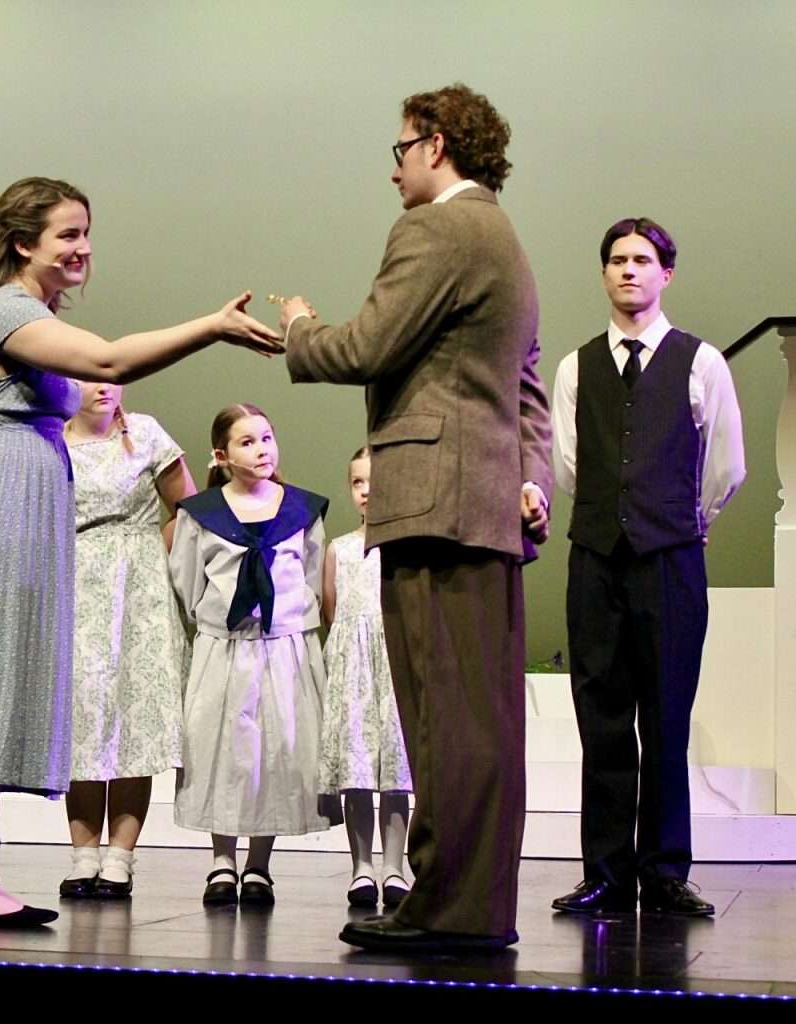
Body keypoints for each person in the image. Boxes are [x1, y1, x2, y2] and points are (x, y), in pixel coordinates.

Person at [0, 176, 282, 929]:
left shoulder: (34, 313)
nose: (83, 247)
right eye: (67, 234)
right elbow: (107, 364)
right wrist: (212, 326)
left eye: (86, 232)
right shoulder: (4, 311)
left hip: (19, 496)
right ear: (22, 242)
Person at [278, 83, 553, 952]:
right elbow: (528, 390)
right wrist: (529, 478)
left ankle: (448, 910)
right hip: (480, 503)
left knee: (444, 718)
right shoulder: (504, 239)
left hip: (436, 502)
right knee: (478, 716)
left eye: (398, 151)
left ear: (435, 145)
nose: (393, 171)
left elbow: (367, 345)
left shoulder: (437, 228)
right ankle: (466, 904)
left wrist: (297, 327)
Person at [549, 218, 745, 917]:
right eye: (617, 260)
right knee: (601, 719)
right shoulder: (576, 367)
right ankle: (605, 871)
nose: (629, 270)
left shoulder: (701, 362)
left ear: (667, 273)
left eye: (643, 260)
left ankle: (663, 871)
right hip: (596, 559)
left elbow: (726, 464)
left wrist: (682, 520)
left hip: (670, 561)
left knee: (665, 718)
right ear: (603, 274)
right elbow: (570, 465)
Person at [169, 404, 332, 908]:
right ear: (220, 455)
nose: (261, 449)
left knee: (278, 752)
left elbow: (311, 575)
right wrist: (216, 623)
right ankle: (222, 860)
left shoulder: (302, 510)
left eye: (267, 437)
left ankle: (260, 864)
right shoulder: (203, 514)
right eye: (246, 442)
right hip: (227, 649)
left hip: (283, 649)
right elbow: (187, 577)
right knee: (225, 753)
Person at [58, 382, 196, 899]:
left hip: (137, 589)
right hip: (75, 586)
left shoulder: (145, 433)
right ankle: (82, 854)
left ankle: (121, 856)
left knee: (135, 719)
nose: (102, 389)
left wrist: (146, 554)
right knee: (84, 720)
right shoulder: (53, 439)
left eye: (109, 378)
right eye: (88, 378)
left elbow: (190, 509)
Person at [320, 446, 412, 910]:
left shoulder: (409, 549)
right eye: (358, 482)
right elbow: (332, 611)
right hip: (355, 671)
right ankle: (361, 866)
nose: (367, 490)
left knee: (396, 770)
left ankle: (395, 865)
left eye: (376, 480)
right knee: (357, 770)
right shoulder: (339, 549)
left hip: (396, 665)